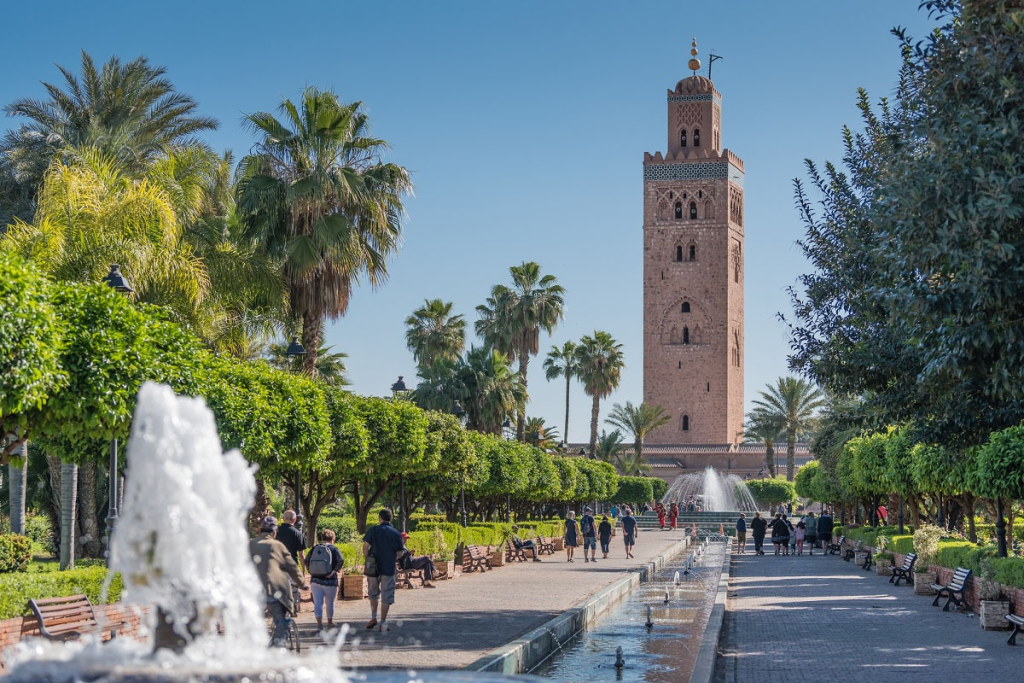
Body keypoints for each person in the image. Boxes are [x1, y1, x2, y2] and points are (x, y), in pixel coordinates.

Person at [250, 516, 306, 647]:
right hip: (274, 590)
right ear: (274, 533)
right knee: (281, 621)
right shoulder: (278, 545)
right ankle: (276, 648)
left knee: (254, 619)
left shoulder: (251, 545)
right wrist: (302, 583)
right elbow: (292, 567)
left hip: (254, 590)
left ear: (260, 531)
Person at [362, 508, 405, 632]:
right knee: (386, 596)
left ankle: (373, 617)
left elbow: (365, 547)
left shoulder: (373, 530)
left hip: (373, 568)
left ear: (380, 518)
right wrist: (392, 557)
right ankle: (383, 622)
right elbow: (400, 553)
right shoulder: (396, 533)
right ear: (391, 519)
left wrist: (368, 559)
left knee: (373, 593)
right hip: (388, 567)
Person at [304, 528, 344, 632]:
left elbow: (306, 560)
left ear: (322, 538)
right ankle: (330, 623)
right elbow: (340, 560)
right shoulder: (334, 549)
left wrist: (311, 571)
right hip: (330, 580)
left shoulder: (315, 548)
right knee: (330, 602)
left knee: (318, 603)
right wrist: (333, 572)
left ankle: (319, 624)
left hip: (316, 580)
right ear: (333, 538)